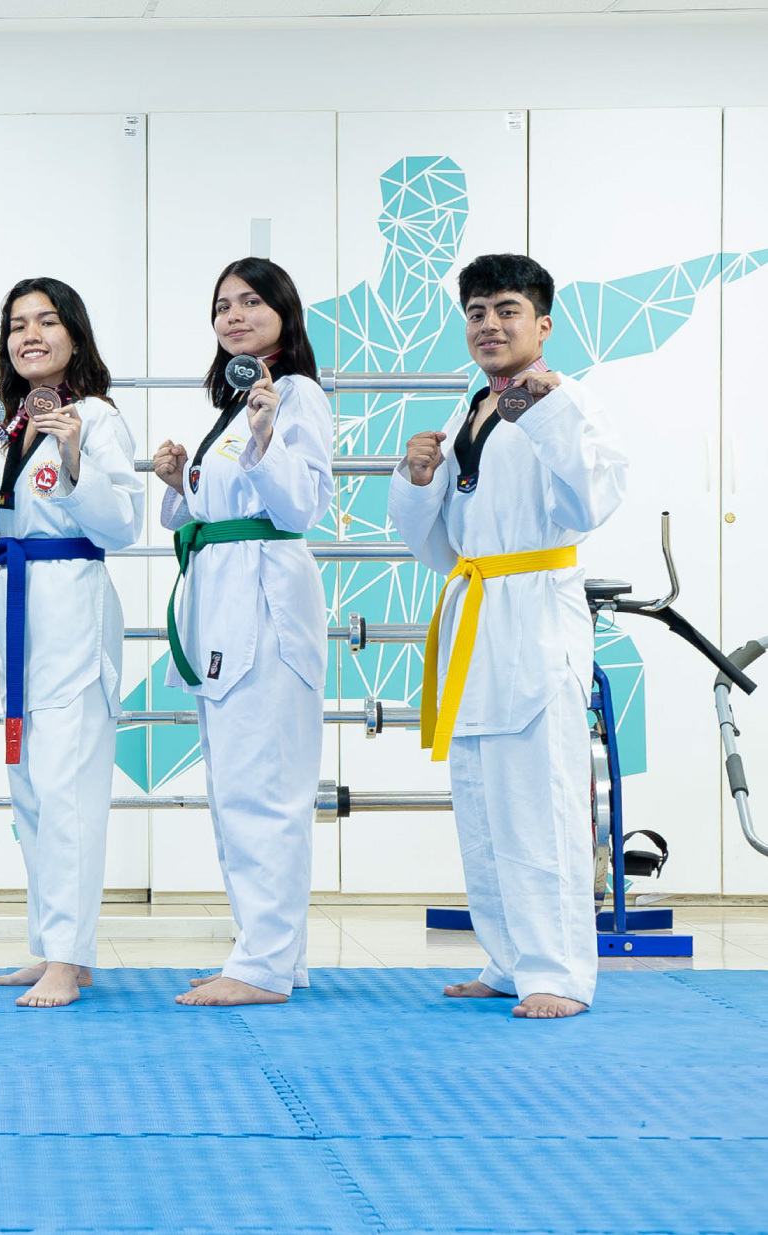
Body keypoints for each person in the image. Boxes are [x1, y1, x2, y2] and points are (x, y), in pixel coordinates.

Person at [390, 252, 627, 1019]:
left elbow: (590, 500)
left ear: (543, 324)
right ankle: (506, 957)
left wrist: (551, 411)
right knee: (484, 800)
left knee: (542, 803)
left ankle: (557, 970)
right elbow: (436, 547)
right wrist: (417, 478)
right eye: (477, 313)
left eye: (507, 311)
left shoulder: (571, 402)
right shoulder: (471, 410)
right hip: (476, 611)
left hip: (534, 609)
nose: (490, 325)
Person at [0, 277, 143, 1008]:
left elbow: (123, 524)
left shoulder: (96, 417)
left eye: (46, 322)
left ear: (75, 335)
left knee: (70, 789)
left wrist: (79, 452)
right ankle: (52, 945)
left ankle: (70, 955)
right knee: (30, 783)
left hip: (73, 606)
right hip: (18, 607)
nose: (29, 335)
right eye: (16, 325)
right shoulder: (5, 425)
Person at [154, 257, 332, 1007]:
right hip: (221, 598)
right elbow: (195, 513)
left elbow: (297, 505)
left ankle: (262, 963)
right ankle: (269, 952)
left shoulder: (296, 396)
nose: (234, 315)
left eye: (252, 302)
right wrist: (177, 481)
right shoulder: (232, 406)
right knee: (235, 788)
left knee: (266, 789)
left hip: (266, 598)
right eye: (223, 304)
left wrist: (263, 437)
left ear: (284, 315)